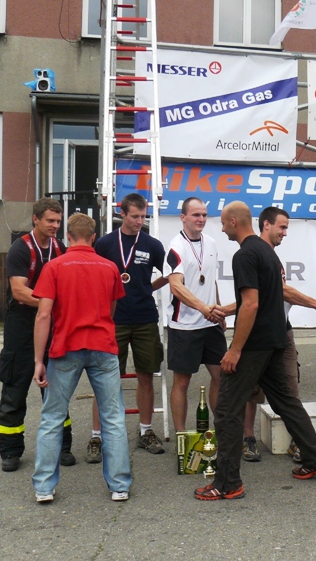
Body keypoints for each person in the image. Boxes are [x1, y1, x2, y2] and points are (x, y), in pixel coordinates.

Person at [194, 202, 316, 501]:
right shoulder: (268, 253)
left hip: (255, 344)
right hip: (276, 340)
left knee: (227, 410)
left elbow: (252, 304)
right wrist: (227, 310)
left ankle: (227, 483)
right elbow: (271, 295)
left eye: (223, 223)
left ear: (234, 221)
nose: (221, 228)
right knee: (286, 402)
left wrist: (235, 350)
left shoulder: (245, 254)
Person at [31, 213, 131, 503]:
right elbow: (111, 309)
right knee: (113, 418)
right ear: (94, 237)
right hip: (103, 346)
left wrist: (39, 361)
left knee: (52, 417)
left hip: (66, 347)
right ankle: (119, 485)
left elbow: (44, 315)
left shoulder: (54, 267)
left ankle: (44, 488)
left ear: (68, 237)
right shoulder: (110, 267)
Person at [240, 207, 316, 463]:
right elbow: (278, 292)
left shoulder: (273, 257)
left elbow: (280, 293)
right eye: (282, 227)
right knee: (250, 391)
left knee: (290, 389)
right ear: (266, 225)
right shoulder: (255, 254)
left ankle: (299, 442)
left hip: (283, 332)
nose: (285, 233)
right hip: (258, 335)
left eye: (287, 228)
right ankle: (248, 438)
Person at [0, 197, 74, 472]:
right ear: (36, 219)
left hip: (51, 323)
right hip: (21, 323)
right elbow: (19, 291)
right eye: (50, 220)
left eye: (58, 221)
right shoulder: (20, 249)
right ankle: (10, 450)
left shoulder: (59, 248)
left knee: (55, 388)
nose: (55, 225)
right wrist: (49, 303)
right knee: (15, 387)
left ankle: (62, 446)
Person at [93, 193, 168, 461]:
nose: (139, 221)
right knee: (104, 378)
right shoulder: (105, 244)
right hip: (113, 320)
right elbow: (93, 276)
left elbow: (171, 273)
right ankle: (97, 436)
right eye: (135, 216)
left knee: (146, 376)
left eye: (143, 216)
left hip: (145, 318)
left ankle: (146, 431)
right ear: (122, 214)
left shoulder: (152, 244)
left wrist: (148, 287)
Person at [163, 198, 225, 433]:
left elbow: (211, 280)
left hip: (210, 324)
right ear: (183, 217)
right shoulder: (176, 247)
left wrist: (219, 310)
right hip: (185, 326)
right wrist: (203, 308)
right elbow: (176, 286)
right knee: (182, 382)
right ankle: (181, 436)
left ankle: (222, 431)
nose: (201, 219)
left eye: (204, 215)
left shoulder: (211, 243)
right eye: (196, 215)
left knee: (221, 377)